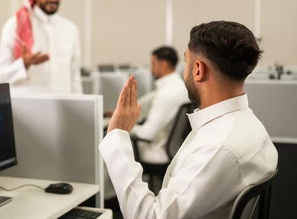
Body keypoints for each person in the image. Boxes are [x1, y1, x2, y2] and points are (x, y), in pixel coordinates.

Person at [99, 21, 278, 218]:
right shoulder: (251, 125)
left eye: (186, 62)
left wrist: (117, 134)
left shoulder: (217, 148)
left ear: (198, 69)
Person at [0, 0, 82, 94]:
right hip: (28, 109)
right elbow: (0, 75)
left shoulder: (71, 29)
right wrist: (23, 64)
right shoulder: (16, 24)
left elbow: (75, 78)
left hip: (63, 109)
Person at [132, 46, 189, 164]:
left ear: (163, 65)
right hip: (175, 149)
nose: (151, 69)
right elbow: (149, 101)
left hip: (157, 154)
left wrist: (123, 125)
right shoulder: (181, 87)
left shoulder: (166, 94)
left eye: (153, 64)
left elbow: (147, 134)